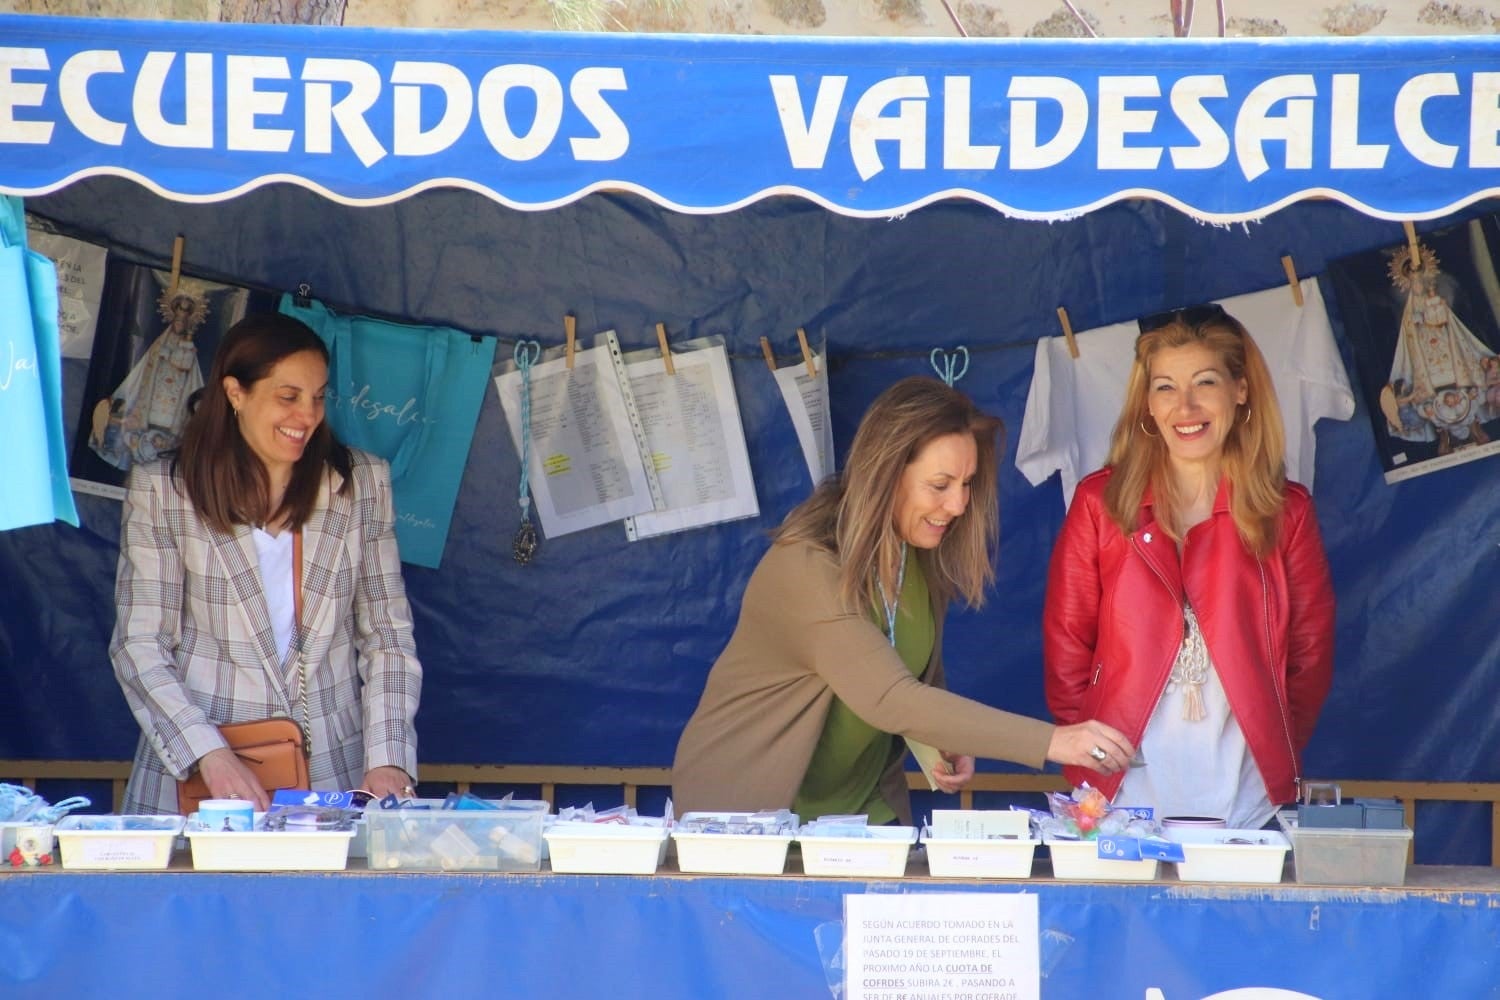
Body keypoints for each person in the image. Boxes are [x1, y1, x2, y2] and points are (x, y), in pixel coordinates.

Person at [672, 376, 1132, 824]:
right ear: (887, 474)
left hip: (861, 813)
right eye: (940, 485)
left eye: (967, 483)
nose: (958, 505)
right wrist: (1056, 742)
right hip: (749, 818)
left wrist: (941, 737)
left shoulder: (915, 557)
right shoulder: (808, 565)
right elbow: (890, 697)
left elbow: (915, 679)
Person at [110, 312, 422, 813]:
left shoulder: (362, 483)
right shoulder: (164, 490)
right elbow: (139, 644)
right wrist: (207, 751)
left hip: (332, 774)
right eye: (288, 396)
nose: (307, 415)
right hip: (201, 777)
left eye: (318, 397)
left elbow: (387, 637)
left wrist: (388, 759)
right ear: (235, 393)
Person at [1043, 304, 1335, 830]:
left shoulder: (1286, 511)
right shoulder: (1100, 502)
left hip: (1245, 786)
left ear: (1240, 389)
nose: (1186, 406)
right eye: (1165, 387)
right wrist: (1087, 752)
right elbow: (1067, 642)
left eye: (1204, 382)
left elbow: (1310, 656)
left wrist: (1274, 737)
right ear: (1147, 404)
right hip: (1122, 778)